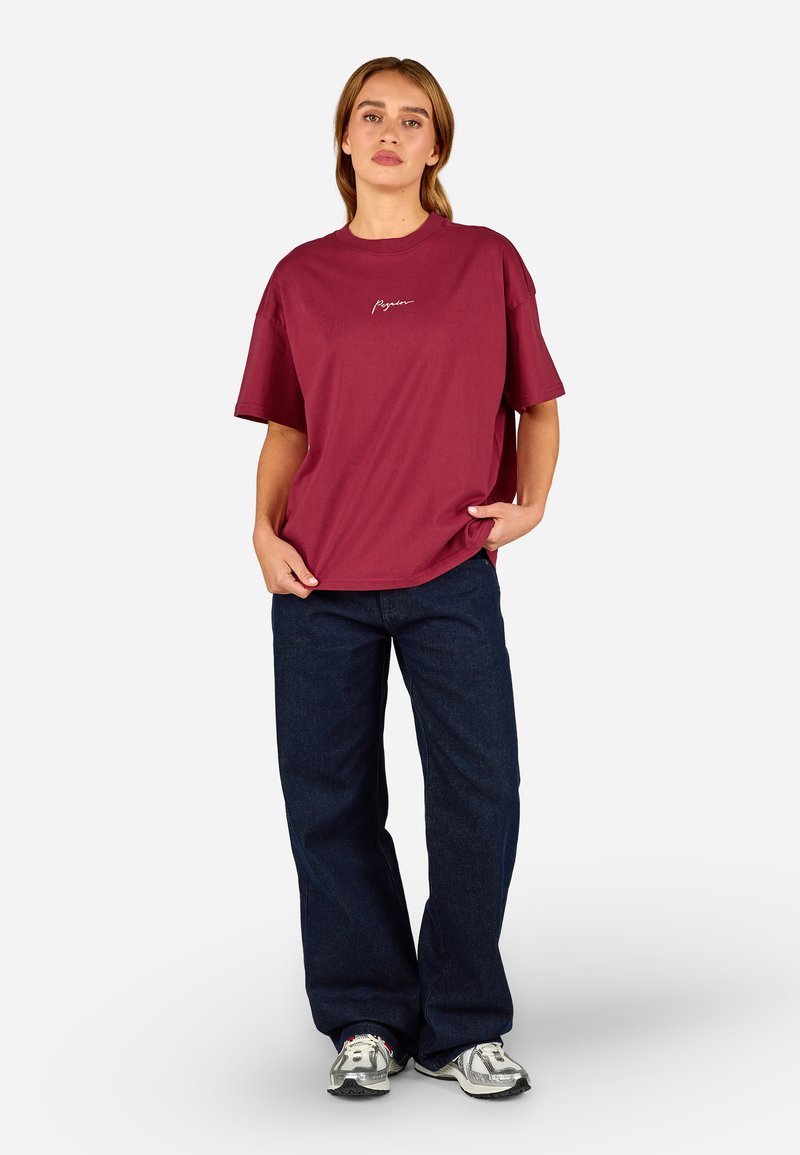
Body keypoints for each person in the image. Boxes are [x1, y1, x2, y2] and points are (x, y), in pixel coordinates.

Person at [233, 56, 565, 1099]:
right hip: (318, 580)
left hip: (448, 571)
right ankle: (366, 1016)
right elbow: (288, 429)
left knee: (480, 792)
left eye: (411, 119)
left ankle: (462, 1020)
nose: (388, 132)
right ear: (343, 137)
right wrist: (260, 530)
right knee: (329, 800)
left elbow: (537, 404)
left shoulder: (485, 261)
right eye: (370, 116)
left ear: (435, 144)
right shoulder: (299, 277)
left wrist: (532, 502)